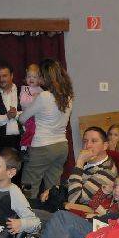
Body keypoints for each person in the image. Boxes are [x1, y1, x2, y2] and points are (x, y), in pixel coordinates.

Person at [17, 58, 73, 200]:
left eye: (40, 75)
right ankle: (52, 212)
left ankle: (27, 212)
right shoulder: (68, 96)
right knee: (52, 189)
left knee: (28, 187)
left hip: (42, 147)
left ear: (45, 77)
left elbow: (22, 118)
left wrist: (19, 115)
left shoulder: (44, 96)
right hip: (61, 146)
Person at [66, 126, 117, 205]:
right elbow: (71, 184)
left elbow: (74, 200)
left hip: (80, 210)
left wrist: (79, 163)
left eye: (94, 141)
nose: (88, 145)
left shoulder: (106, 171)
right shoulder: (89, 162)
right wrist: (57, 188)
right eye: (85, 141)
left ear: (105, 146)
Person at [18, 63, 43, 152]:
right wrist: (34, 98)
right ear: (26, 78)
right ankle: (24, 144)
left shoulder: (41, 90)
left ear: (39, 79)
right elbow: (23, 102)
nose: (31, 79)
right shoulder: (25, 89)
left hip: (38, 117)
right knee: (31, 129)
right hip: (28, 116)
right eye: (29, 76)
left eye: (34, 77)